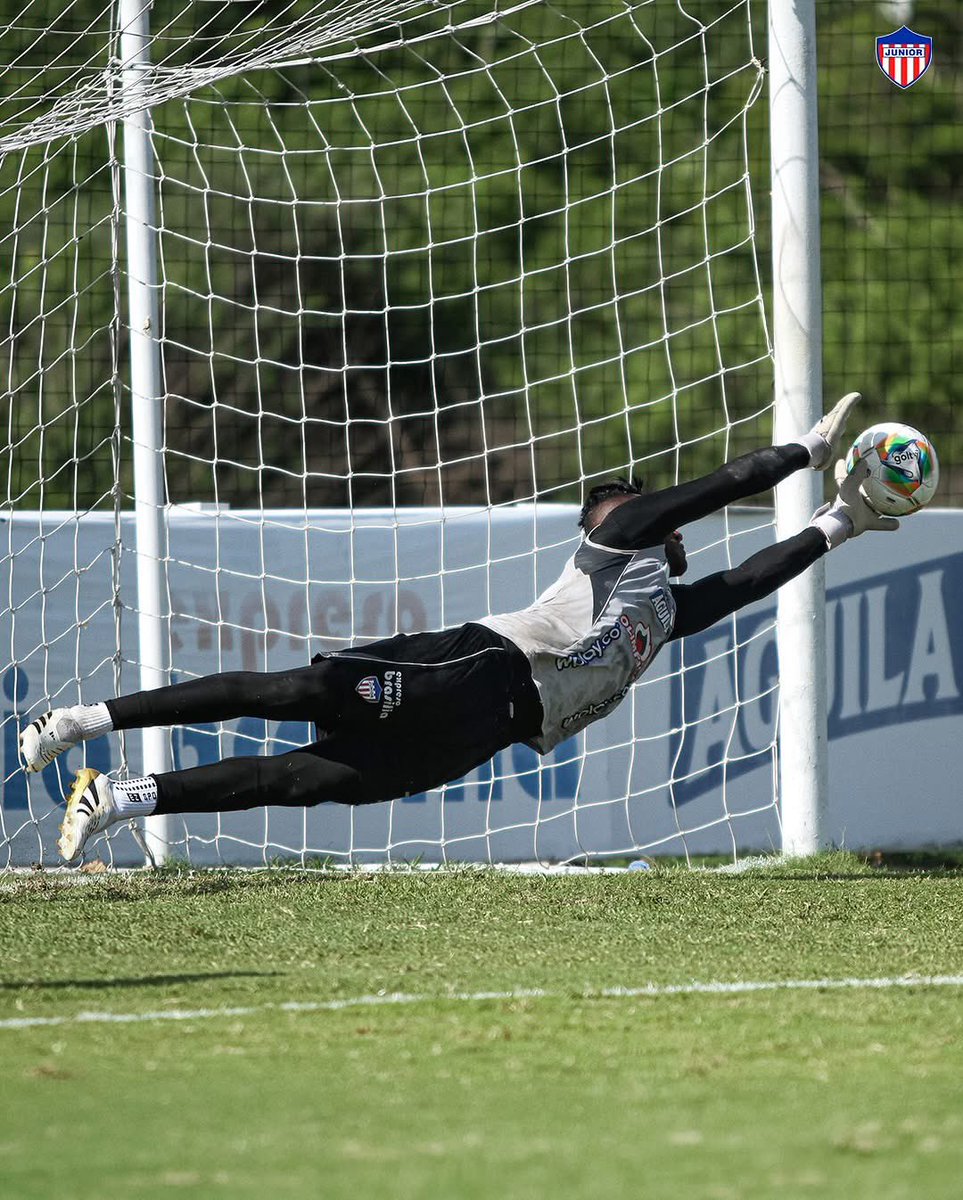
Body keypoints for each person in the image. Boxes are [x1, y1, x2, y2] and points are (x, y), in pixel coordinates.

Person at [21, 392, 897, 864]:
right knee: (299, 691)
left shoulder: (663, 611)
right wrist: (802, 456)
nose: (637, 510)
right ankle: (80, 722)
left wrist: (837, 523)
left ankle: (120, 796)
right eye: (621, 502)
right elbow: (713, 489)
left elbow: (745, 580)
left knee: (307, 781)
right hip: (476, 668)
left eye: (633, 499)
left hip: (494, 731)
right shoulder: (615, 545)